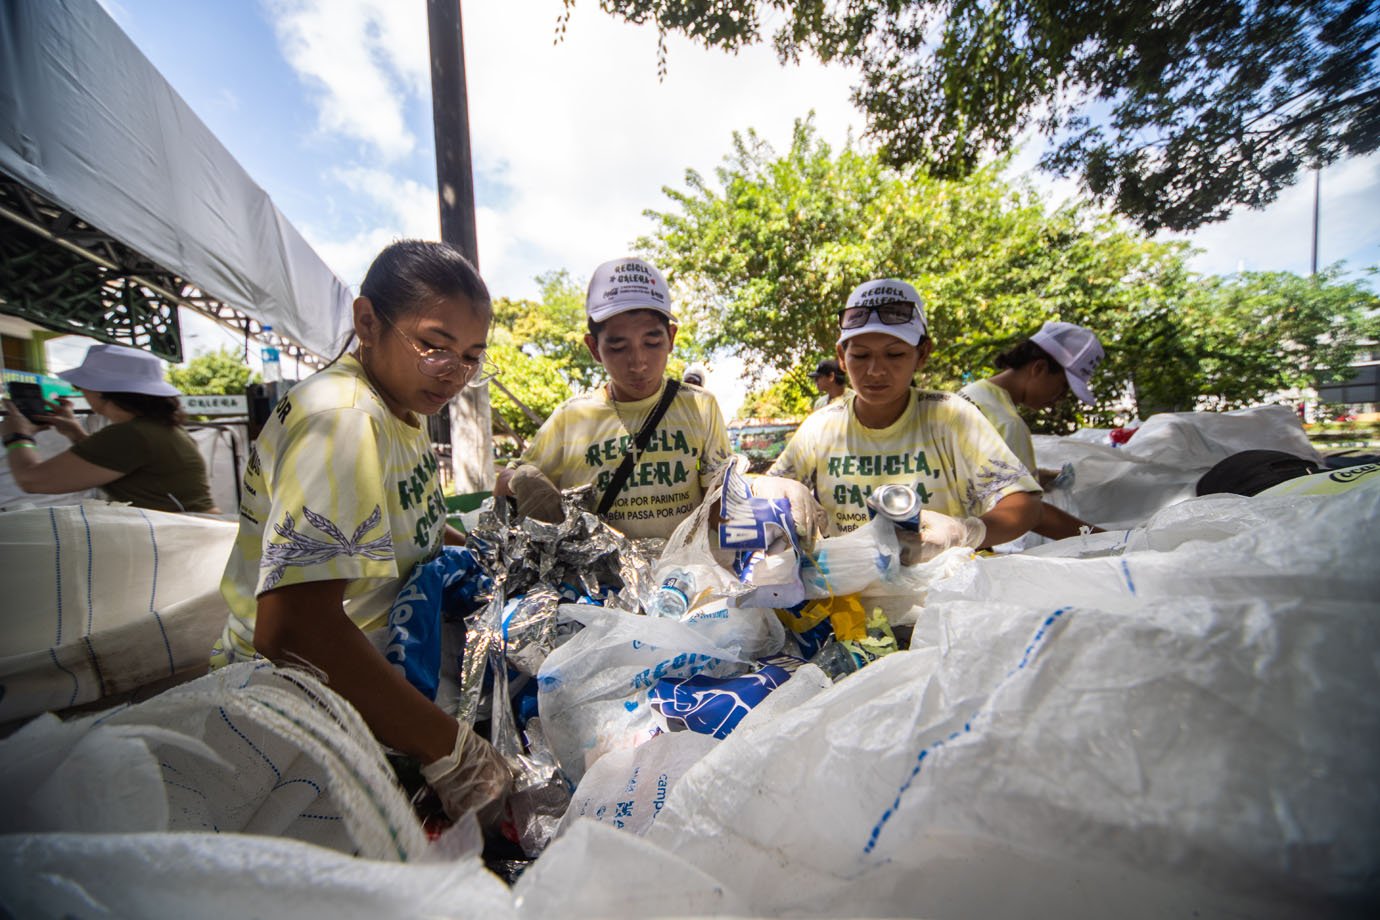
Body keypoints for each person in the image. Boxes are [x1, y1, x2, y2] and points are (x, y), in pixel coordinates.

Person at [213, 240, 509, 823]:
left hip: (373, 680)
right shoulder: (345, 421)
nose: (454, 372)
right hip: (304, 711)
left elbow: (412, 521)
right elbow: (295, 629)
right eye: (433, 345)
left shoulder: (402, 408)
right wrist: (451, 750)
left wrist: (479, 548)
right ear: (367, 321)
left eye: (472, 356)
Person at [769, 279, 1041, 559]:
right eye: (861, 355)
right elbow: (768, 490)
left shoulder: (950, 416)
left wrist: (966, 532)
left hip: (945, 593)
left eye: (894, 354)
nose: (875, 371)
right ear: (841, 356)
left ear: (922, 354)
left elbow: (1024, 501)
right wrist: (772, 493)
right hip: (850, 594)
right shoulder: (822, 426)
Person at [495, 257, 733, 539]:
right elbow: (509, 482)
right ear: (594, 348)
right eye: (618, 347)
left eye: (652, 342)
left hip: (679, 578)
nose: (638, 362)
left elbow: (719, 510)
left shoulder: (700, 407)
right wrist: (517, 482)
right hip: (602, 579)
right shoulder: (571, 418)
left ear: (671, 337)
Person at [2, 343, 216, 513]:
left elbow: (32, 480)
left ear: (101, 391)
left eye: (82, 386)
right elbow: (111, 462)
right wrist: (75, 433)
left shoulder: (131, 435)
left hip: (182, 542)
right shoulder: (156, 428)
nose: (81, 392)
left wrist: (18, 436)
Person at [960, 321, 1105, 540]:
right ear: (1039, 368)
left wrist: (1038, 476)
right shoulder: (1008, 423)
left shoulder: (971, 393)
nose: (1059, 399)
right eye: (1063, 387)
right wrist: (1107, 538)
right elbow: (1031, 514)